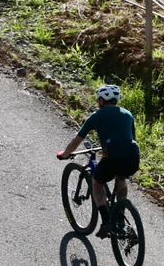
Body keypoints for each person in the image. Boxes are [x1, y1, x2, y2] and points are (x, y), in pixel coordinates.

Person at [56, 84, 140, 238]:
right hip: (132, 157)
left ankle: (107, 221)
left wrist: (65, 154)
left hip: (112, 158)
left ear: (102, 100)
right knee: (121, 178)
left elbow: (77, 140)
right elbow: (131, 138)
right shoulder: (128, 114)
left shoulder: (97, 116)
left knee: (97, 183)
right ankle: (120, 219)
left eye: (98, 99)